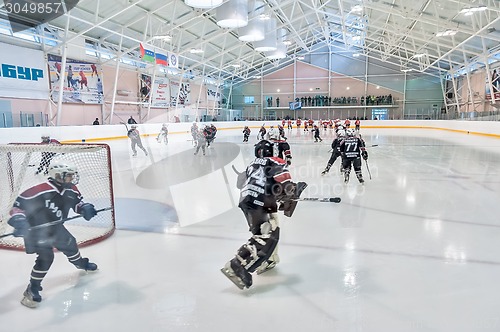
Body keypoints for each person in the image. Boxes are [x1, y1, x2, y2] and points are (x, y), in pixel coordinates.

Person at [8, 160, 98, 308]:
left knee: (71, 246)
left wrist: (84, 208)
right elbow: (17, 207)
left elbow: (77, 203)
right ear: (57, 175)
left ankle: (81, 264)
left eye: (72, 175)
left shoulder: (72, 189)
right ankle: (32, 288)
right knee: (46, 258)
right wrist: (19, 221)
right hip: (35, 230)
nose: (72, 178)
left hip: (56, 227)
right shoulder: (39, 190)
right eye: (68, 175)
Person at [221, 140, 307, 289]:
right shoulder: (275, 160)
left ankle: (268, 260)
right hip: (261, 200)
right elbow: (283, 178)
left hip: (247, 200)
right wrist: (291, 191)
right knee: (266, 234)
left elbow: (239, 183)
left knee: (270, 229)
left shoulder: (252, 165)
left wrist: (275, 192)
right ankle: (236, 264)